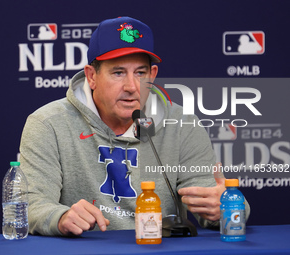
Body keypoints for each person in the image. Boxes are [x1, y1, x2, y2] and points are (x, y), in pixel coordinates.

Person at [19, 16, 250, 237]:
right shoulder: (48, 124)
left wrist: (226, 206)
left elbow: (215, 200)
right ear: (91, 76)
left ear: (153, 75)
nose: (132, 86)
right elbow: (30, 204)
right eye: (118, 73)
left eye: (140, 73)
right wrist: (60, 217)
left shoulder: (182, 124)